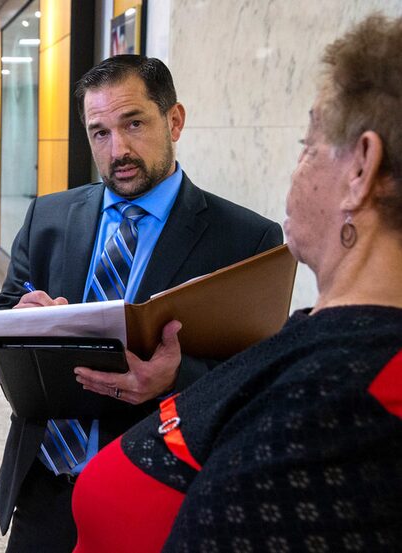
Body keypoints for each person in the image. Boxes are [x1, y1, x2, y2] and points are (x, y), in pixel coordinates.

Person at [71, 14, 402, 551]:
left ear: (361, 168)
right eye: (99, 133)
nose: (116, 149)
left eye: (308, 144)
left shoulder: (351, 395)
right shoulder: (324, 341)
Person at [0, 54, 283, 551]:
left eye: (134, 123)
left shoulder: (247, 240)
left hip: (155, 494)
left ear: (174, 120)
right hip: (44, 488)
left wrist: (177, 380)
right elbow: (3, 313)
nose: (118, 149)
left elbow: (260, 380)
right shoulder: (49, 216)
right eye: (99, 132)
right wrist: (20, 319)